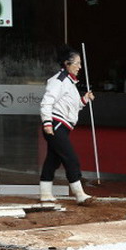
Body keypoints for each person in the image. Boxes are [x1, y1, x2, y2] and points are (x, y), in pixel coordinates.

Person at [38, 46, 95, 205]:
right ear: (66, 64)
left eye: (80, 63)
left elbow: (71, 106)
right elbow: (47, 102)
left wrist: (84, 100)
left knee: (53, 160)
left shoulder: (69, 82)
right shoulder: (59, 80)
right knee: (71, 159)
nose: (79, 67)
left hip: (61, 126)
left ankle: (45, 193)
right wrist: (47, 123)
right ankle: (80, 195)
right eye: (76, 63)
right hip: (56, 126)